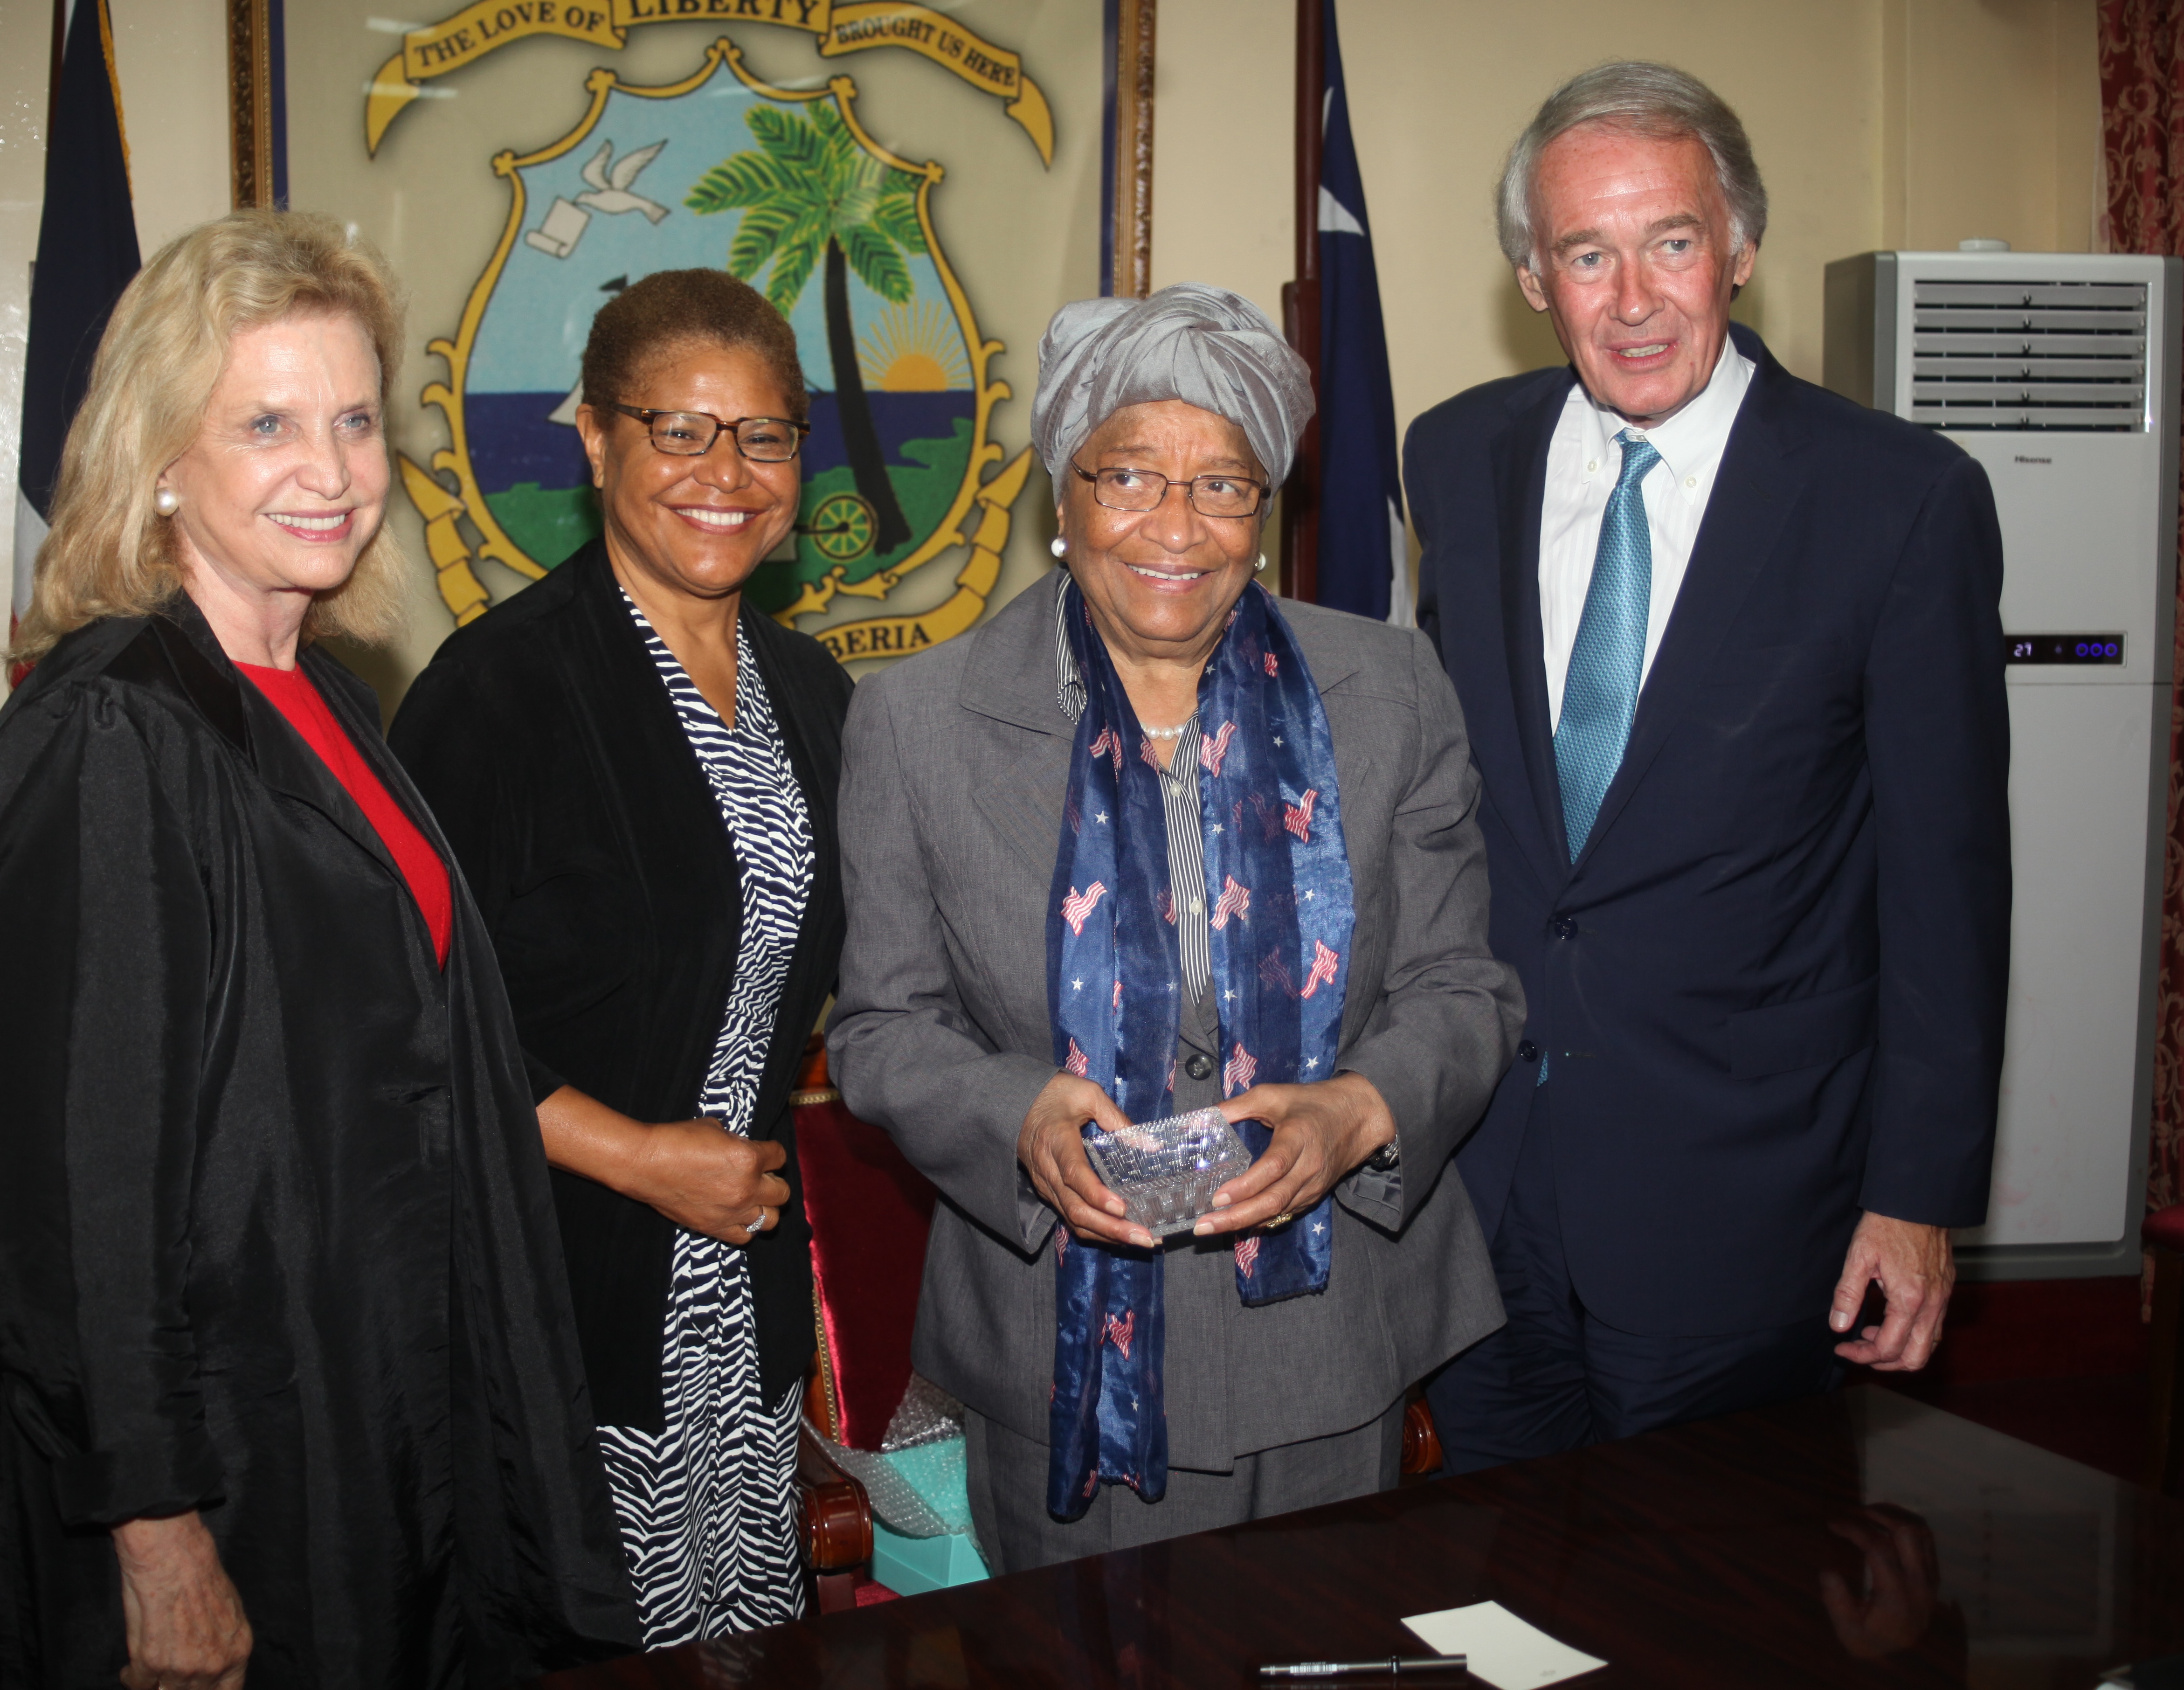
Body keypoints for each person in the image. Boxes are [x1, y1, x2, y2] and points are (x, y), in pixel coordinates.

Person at [0, 210, 636, 1688]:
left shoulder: (322, 691)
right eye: (268, 423)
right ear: (160, 457)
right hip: (238, 1459)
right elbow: (73, 1192)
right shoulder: (116, 725)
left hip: (385, 1403)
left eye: (355, 420)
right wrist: (155, 1531)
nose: (334, 472)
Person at [828, 282, 1522, 1570]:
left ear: (1262, 511)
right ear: (1062, 490)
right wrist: (1016, 1114)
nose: (1175, 527)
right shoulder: (916, 721)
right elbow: (881, 1026)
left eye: (1222, 485)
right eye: (1130, 475)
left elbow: (1462, 989)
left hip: (1332, 1338)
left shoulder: (1387, 690)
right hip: (1051, 1347)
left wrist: (1360, 1108)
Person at [1405, 62, 2011, 1469]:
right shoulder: (1455, 457)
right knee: (1488, 1602)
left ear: (1737, 249)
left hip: (1746, 1199)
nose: (1631, 298)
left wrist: (1915, 1199)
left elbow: (1946, 885)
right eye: (1585, 253)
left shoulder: (1898, 499)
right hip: (1482, 1187)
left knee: (1723, 1609)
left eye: (1670, 242)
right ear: (1530, 276)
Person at [390, 269, 852, 1645]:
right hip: (558, 1281)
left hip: (738, 1284)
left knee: (742, 1642)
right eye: (679, 429)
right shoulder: (495, 692)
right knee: (582, 1634)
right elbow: (405, 1019)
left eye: (762, 436)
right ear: (596, 439)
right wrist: (638, 1156)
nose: (726, 472)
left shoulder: (815, 694)